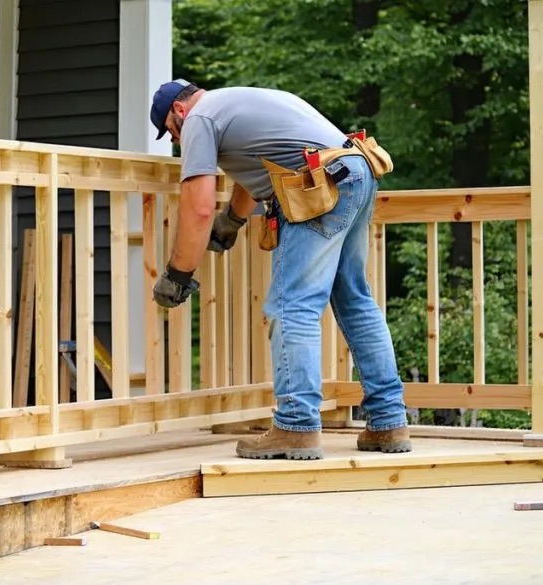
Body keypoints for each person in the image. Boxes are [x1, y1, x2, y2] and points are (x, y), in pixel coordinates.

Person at [148, 79, 411, 460]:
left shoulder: (199, 120)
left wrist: (179, 273)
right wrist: (233, 219)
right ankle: (388, 421)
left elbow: (198, 206)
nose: (177, 142)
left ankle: (296, 427)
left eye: (172, 133)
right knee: (355, 299)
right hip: (356, 169)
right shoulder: (236, 102)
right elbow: (254, 172)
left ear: (179, 110)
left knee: (293, 307)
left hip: (317, 185)